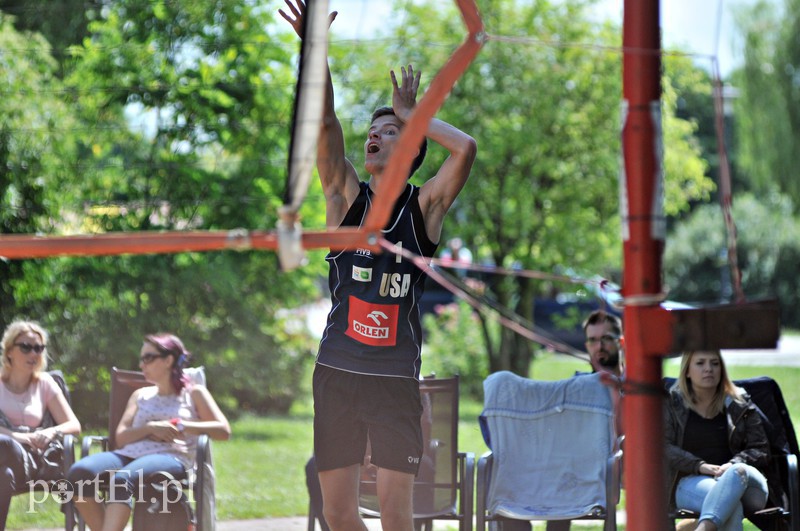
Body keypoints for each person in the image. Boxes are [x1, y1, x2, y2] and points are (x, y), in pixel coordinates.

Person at [280, 1, 476, 529]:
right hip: (338, 370)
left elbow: (465, 150)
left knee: (396, 513)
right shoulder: (344, 194)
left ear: (411, 149)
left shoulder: (425, 207)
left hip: (394, 376)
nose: (375, 134)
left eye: (390, 131)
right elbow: (322, 120)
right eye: (374, 129)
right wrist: (313, 47)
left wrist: (414, 116)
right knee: (339, 512)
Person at [67, 333, 231, 531]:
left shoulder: (193, 393)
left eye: (148, 358)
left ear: (168, 360)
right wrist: (151, 428)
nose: (141, 364)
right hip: (128, 454)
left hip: (171, 456)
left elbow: (223, 430)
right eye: (141, 359)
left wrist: (183, 425)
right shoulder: (140, 395)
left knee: (122, 480)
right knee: (79, 473)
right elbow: (121, 437)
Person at [665, 350, 770, 531]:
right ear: (687, 371)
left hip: (747, 483)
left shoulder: (740, 403)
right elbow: (662, 447)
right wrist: (699, 465)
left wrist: (732, 464)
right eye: (700, 363)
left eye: (714, 363)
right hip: (692, 482)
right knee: (731, 507)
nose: (709, 369)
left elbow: (761, 448)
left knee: (737, 472)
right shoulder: (673, 404)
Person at [0, 320, 81, 529]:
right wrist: (15, 436)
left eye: (39, 348)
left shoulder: (45, 383)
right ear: (9, 351)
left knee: (4, 445)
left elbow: (74, 425)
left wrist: (51, 432)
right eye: (26, 347)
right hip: (8, 461)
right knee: (3, 474)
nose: (33, 354)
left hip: (36, 460)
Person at [582, 309, 624, 378]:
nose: (599, 347)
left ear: (621, 342)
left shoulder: (639, 385)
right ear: (587, 346)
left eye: (606, 338)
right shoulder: (579, 386)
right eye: (592, 340)